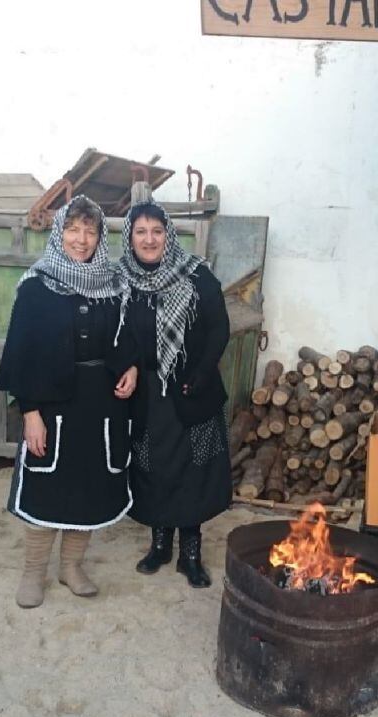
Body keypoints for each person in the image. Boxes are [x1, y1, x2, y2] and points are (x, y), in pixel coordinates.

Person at [0, 195, 138, 608]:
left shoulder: (114, 285)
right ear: (60, 233)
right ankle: (33, 573)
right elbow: (20, 351)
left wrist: (130, 367)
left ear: (99, 237)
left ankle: (72, 567)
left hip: (101, 408)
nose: (81, 239)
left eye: (90, 231)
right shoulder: (37, 286)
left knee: (91, 488)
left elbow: (125, 338)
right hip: (53, 405)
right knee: (46, 485)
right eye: (73, 229)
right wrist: (31, 413)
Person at [117, 200, 231, 588]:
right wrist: (128, 365)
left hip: (191, 391)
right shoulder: (122, 280)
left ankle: (191, 554)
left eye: (157, 231)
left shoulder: (197, 275)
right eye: (141, 232)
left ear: (169, 234)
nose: (149, 240)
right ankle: (160, 544)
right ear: (130, 238)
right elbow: (117, 336)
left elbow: (219, 329)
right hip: (146, 394)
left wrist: (199, 373)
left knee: (194, 469)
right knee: (151, 468)